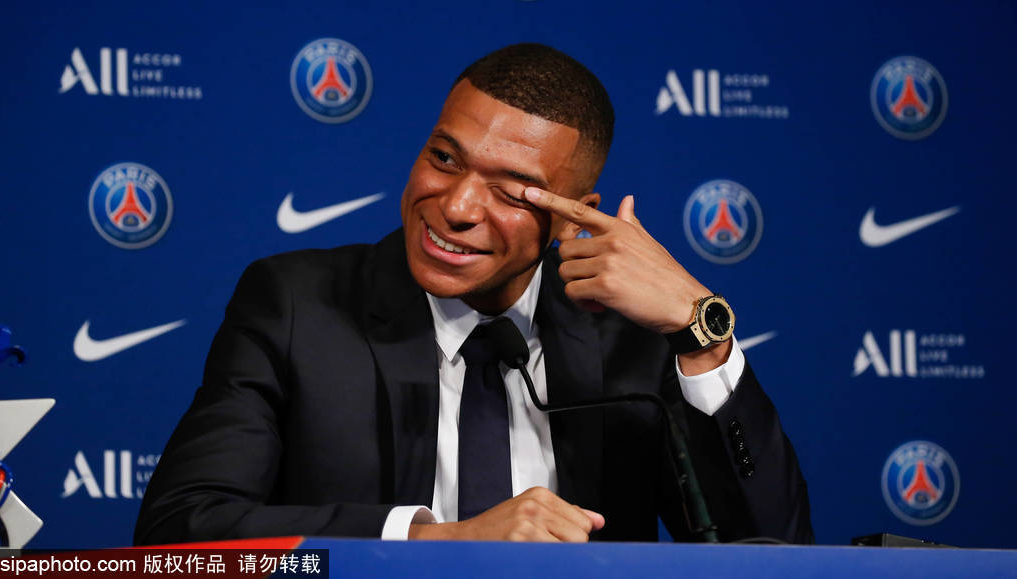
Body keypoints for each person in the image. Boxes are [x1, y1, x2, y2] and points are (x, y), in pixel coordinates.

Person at [134, 43, 812, 544]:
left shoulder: (630, 339)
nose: (455, 207)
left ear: (575, 215)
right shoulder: (297, 306)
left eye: (512, 191)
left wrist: (700, 332)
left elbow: (775, 553)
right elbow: (180, 534)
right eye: (444, 158)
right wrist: (432, 540)